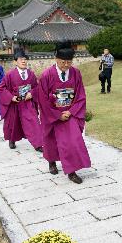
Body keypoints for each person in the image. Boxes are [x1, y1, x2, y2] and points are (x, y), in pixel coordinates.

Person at [37, 42, 90, 184]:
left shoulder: (76, 73)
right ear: (56, 59)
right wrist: (57, 115)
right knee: (51, 140)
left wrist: (71, 111)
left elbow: (80, 95)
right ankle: (52, 162)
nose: (66, 65)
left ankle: (72, 171)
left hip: (70, 113)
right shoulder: (47, 75)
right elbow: (42, 99)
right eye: (63, 62)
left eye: (69, 62)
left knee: (72, 141)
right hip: (53, 114)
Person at [0, 49, 43, 151]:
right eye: (20, 59)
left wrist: (32, 93)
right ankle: (12, 139)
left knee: (34, 122)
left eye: (25, 59)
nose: (23, 61)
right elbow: (1, 88)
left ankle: (38, 144)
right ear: (15, 62)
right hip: (15, 104)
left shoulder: (31, 74)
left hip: (27, 104)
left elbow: (37, 87)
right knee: (14, 123)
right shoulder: (9, 75)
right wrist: (11, 97)